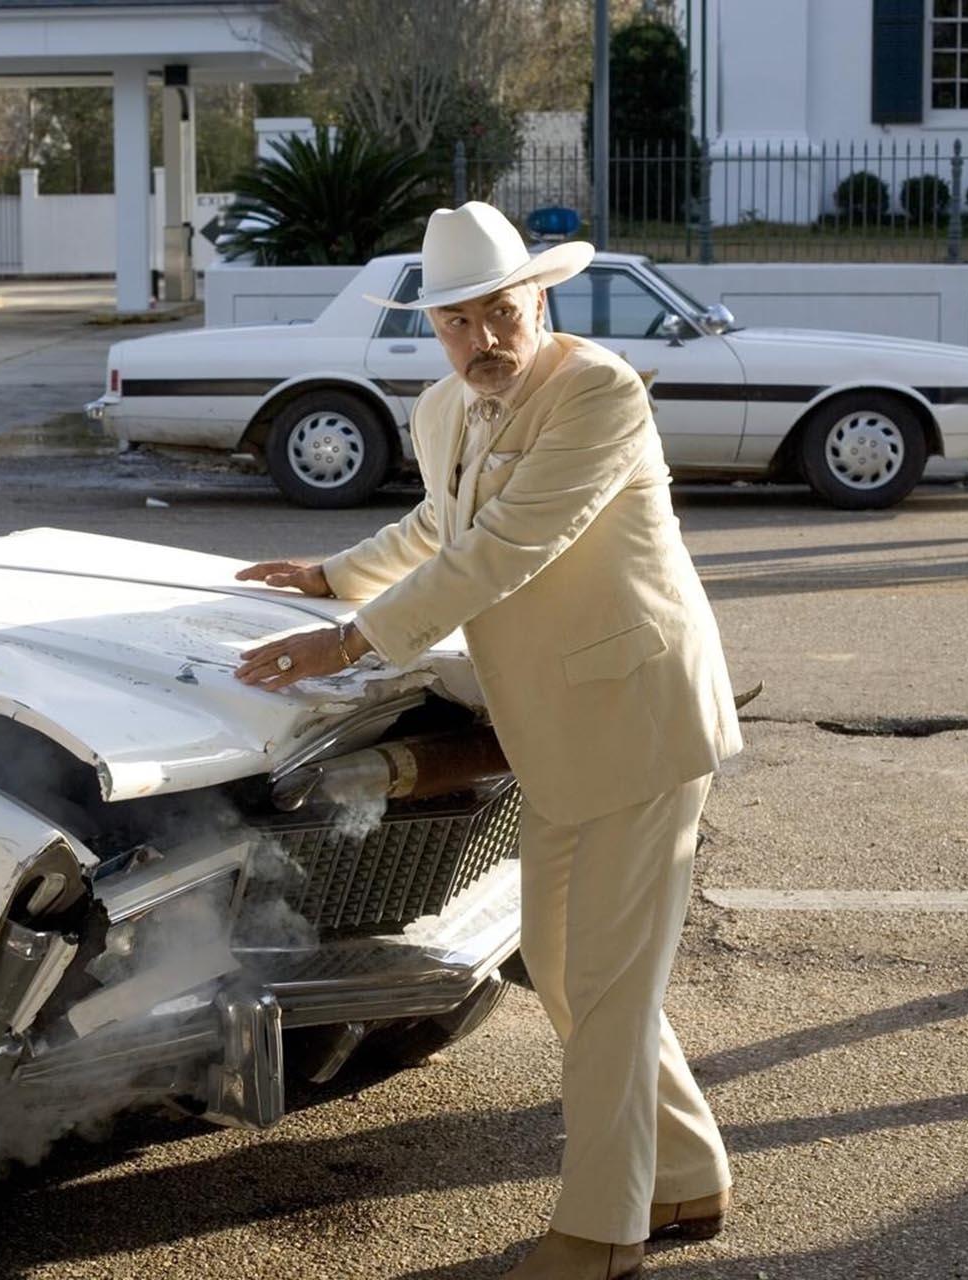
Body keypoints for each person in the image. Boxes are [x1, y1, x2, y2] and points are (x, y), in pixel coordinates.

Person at [230, 202, 742, 1280]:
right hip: (556, 732)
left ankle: (606, 1229)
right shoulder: (442, 408)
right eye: (456, 323)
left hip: (639, 721)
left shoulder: (599, 391)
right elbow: (440, 525)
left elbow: (510, 545)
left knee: (603, 983)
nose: (480, 340)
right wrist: (331, 575)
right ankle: (688, 1170)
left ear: (538, 298)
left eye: (497, 313)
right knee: (565, 967)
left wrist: (346, 639)